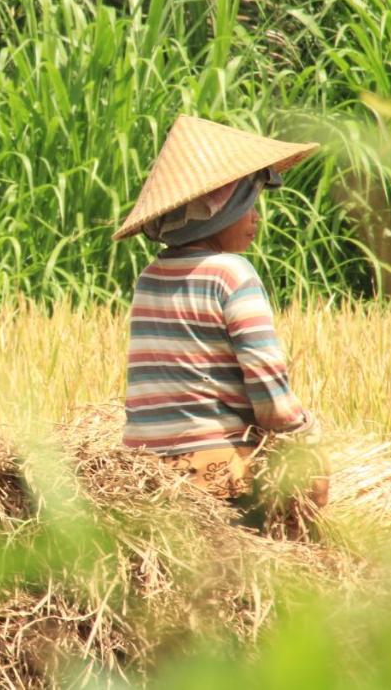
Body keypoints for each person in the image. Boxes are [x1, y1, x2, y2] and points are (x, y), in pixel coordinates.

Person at [113, 115, 326, 519]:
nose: (256, 218)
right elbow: (271, 396)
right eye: (250, 206)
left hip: (142, 472)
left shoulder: (148, 278)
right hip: (215, 472)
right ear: (221, 210)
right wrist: (308, 437)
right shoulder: (232, 274)